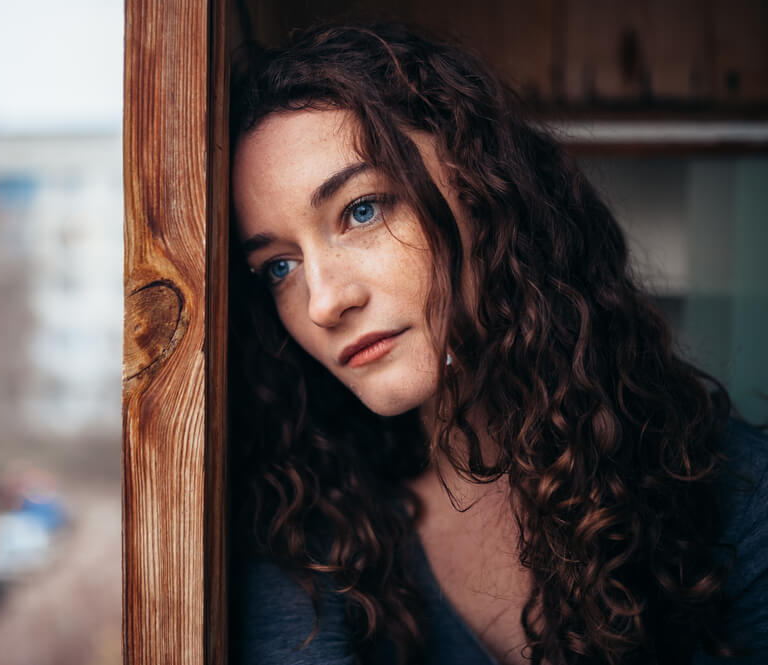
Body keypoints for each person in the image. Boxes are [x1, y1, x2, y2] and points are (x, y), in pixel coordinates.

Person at [227, 23, 768, 665]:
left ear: (485, 192)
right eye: (280, 267)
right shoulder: (310, 530)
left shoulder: (729, 489)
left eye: (362, 209)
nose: (323, 302)